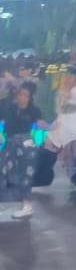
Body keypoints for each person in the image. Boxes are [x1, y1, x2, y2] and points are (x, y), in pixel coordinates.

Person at [28, 63, 76, 208]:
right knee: (45, 153)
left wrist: (63, 94)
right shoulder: (64, 90)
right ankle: (39, 180)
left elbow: (66, 108)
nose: (66, 78)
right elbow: (60, 110)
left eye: (69, 76)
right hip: (60, 129)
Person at [0, 84, 44, 215]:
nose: (23, 97)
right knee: (2, 171)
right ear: (17, 95)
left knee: (26, 174)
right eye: (21, 94)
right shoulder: (9, 108)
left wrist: (50, 127)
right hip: (10, 142)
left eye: (26, 95)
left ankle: (27, 205)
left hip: (26, 144)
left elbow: (41, 123)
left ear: (30, 97)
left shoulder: (34, 110)